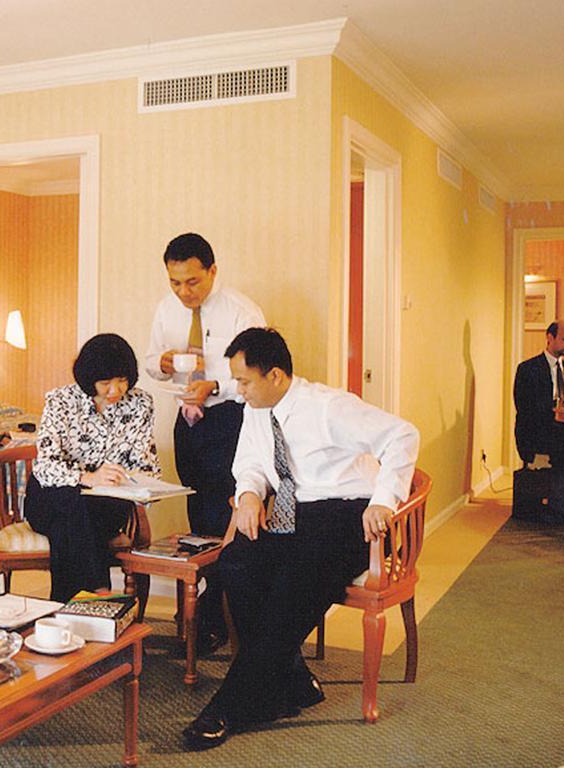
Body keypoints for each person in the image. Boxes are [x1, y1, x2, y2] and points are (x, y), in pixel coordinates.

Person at [183, 328, 419, 750]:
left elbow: (403, 434)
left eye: (244, 381)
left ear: (274, 375)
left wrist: (383, 501)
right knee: (236, 563)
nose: (238, 391)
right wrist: (250, 493)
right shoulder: (257, 408)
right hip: (298, 513)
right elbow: (250, 462)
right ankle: (291, 678)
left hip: (349, 513)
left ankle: (231, 705)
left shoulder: (328, 407)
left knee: (291, 584)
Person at [145, 232, 266, 654]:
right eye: (175, 282)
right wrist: (161, 364)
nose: (183, 292)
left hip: (228, 419)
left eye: (192, 282)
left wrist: (214, 385)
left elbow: (255, 375)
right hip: (188, 422)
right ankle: (199, 613)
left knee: (223, 517)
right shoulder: (167, 308)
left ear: (212, 271)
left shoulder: (242, 312)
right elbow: (151, 363)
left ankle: (218, 618)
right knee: (197, 515)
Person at [24, 333, 160, 602]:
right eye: (105, 383)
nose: (115, 390)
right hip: (50, 495)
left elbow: (146, 465)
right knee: (73, 503)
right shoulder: (61, 401)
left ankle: (68, 606)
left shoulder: (140, 404)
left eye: (122, 380)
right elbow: (46, 465)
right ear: (89, 379)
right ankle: (97, 592)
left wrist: (135, 482)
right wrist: (88, 477)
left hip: (106, 500)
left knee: (71, 521)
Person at [513, 319, 564, 524]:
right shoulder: (528, 369)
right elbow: (526, 408)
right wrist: (561, 399)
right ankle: (561, 506)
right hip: (537, 430)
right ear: (550, 338)